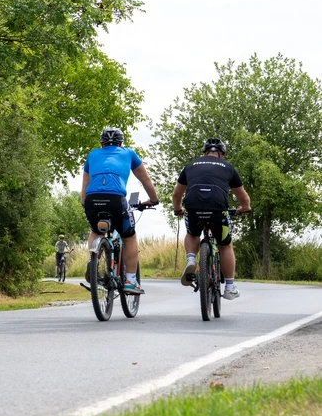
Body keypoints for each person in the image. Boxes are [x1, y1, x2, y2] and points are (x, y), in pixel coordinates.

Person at [81, 127, 159, 294]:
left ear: (101, 143)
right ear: (121, 142)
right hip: (116, 199)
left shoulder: (93, 155)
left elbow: (85, 183)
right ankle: (131, 280)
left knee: (96, 230)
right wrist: (153, 199)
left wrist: (84, 203)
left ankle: (93, 260)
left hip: (92, 199)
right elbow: (145, 179)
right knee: (129, 237)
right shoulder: (129, 153)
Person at [171, 138, 251, 299]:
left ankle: (191, 259)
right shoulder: (228, 167)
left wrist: (178, 209)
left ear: (204, 153)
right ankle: (229, 287)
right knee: (225, 245)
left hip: (193, 208)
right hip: (217, 209)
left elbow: (176, 194)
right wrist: (245, 209)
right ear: (222, 155)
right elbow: (243, 197)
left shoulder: (191, 165)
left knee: (193, 233)